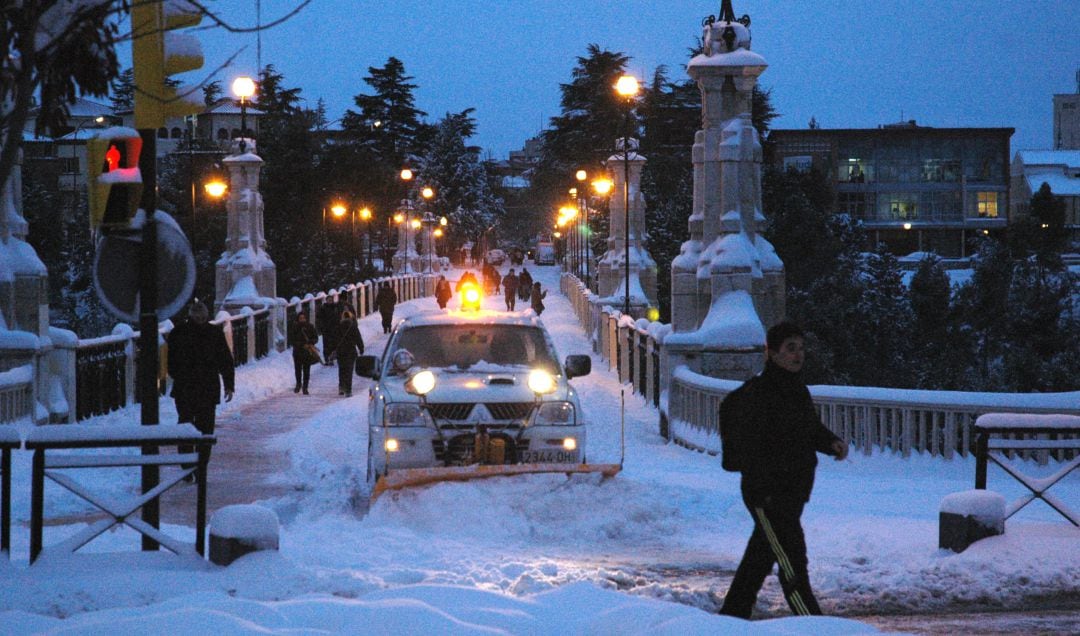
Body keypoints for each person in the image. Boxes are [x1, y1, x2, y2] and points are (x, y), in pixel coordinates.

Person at [719, 321, 848, 620]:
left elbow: (807, 429)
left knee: (760, 558)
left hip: (791, 494)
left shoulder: (795, 390)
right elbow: (752, 449)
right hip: (770, 496)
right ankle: (813, 626)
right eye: (790, 348)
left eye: (801, 348)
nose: (798, 355)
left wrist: (831, 442)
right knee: (792, 563)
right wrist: (766, 491)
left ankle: (729, 619)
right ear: (772, 353)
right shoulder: (759, 395)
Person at [166, 301, 235, 481]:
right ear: (191, 315)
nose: (200, 319)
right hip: (192, 388)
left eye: (202, 317)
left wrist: (229, 384)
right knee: (189, 427)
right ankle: (189, 466)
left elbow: (225, 360)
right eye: (198, 316)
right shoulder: (181, 333)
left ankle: (199, 466)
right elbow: (171, 363)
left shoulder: (191, 333)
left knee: (201, 429)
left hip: (197, 388)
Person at [334, 310, 364, 397]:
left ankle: (341, 387)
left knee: (342, 369)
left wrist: (334, 348)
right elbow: (358, 338)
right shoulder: (353, 327)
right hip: (350, 351)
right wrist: (361, 348)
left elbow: (335, 338)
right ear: (351, 317)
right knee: (349, 370)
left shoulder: (339, 326)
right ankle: (348, 390)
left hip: (341, 351)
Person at [290, 311, 318, 394]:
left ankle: (305, 387)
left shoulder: (310, 327)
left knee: (306, 370)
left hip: (307, 352)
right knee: (297, 369)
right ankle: (298, 384)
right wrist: (302, 344)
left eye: (303, 318)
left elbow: (315, 338)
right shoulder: (295, 328)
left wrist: (310, 342)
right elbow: (292, 340)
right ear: (298, 319)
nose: (302, 320)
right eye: (300, 318)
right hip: (298, 352)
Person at [316, 298, 341, 365]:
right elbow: (319, 318)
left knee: (335, 343)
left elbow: (338, 316)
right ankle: (327, 359)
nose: (330, 301)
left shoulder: (335, 307)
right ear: (326, 301)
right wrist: (321, 328)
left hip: (335, 329)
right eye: (328, 300)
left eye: (331, 300)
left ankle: (334, 357)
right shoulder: (323, 308)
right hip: (326, 330)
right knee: (326, 345)